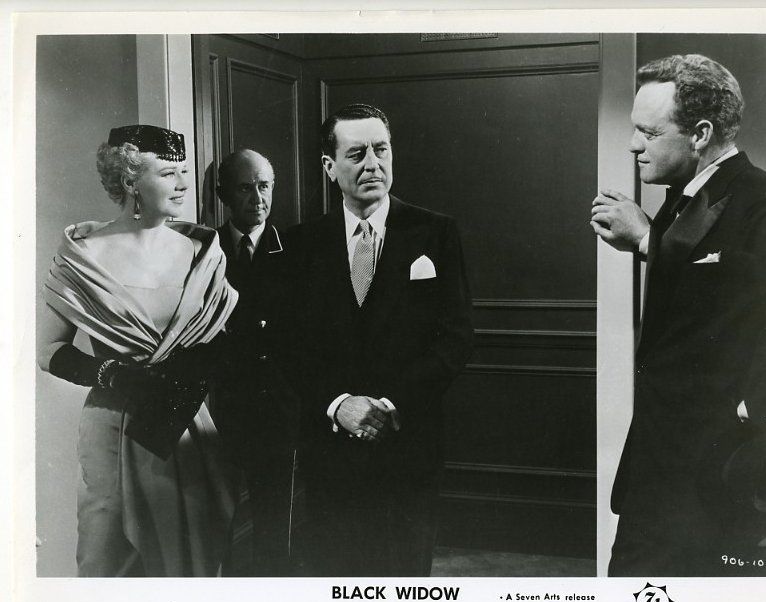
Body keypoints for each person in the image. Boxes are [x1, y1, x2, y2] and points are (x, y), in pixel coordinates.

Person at [591, 54, 766, 576]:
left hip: (718, 477)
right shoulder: (680, 201)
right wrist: (654, 240)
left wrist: (647, 241)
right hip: (659, 473)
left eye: (648, 132)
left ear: (701, 133)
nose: (633, 145)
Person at [38, 125, 239, 577]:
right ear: (130, 180)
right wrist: (113, 374)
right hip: (112, 425)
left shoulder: (200, 252)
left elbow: (218, 339)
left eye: (183, 171)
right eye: (168, 173)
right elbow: (48, 351)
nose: (184, 184)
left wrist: (194, 369)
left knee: (186, 560)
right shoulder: (85, 254)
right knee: (107, 559)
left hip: (182, 420)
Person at [282, 103, 474, 576]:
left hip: (409, 445)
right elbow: (291, 347)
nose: (372, 164)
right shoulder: (302, 244)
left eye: (381, 150)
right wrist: (338, 404)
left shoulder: (436, 233)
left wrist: (389, 404)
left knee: (404, 583)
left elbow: (455, 339)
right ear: (330, 166)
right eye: (356, 154)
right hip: (330, 451)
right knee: (337, 582)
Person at [214, 149, 298, 576]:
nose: (258, 198)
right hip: (221, 402)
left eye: (264, 186)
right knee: (218, 514)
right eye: (245, 188)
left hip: (277, 403)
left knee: (274, 517)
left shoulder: (296, 248)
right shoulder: (203, 248)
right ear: (224, 194)